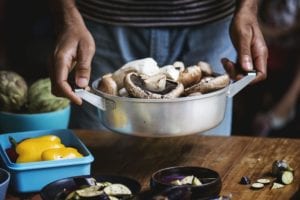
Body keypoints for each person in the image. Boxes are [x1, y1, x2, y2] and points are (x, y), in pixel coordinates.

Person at [48, 0, 268, 136]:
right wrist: (67, 18)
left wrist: (248, 7)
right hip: (102, 27)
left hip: (211, 28)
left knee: (204, 164)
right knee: (104, 164)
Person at [251, 0, 300, 137]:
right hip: (266, 50)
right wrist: (280, 32)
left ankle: (287, 104)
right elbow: (252, 19)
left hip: (292, 55)